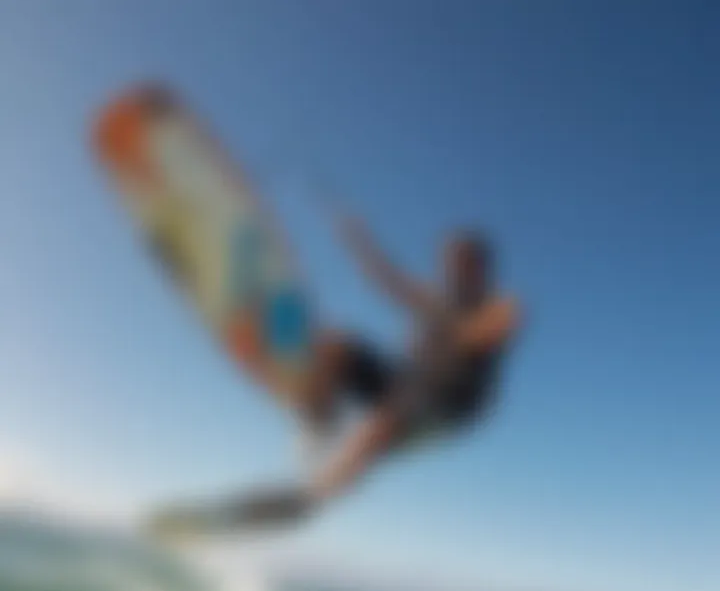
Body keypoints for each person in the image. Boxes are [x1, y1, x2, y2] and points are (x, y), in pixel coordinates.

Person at [149, 211, 522, 537]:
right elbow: (386, 278)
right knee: (337, 345)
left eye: (460, 262)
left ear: (479, 268)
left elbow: (488, 328)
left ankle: (311, 498)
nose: (450, 270)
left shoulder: (499, 304)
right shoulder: (434, 296)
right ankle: (318, 419)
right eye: (447, 261)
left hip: (448, 409)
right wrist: (356, 238)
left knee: (383, 424)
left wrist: (450, 323)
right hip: (407, 382)